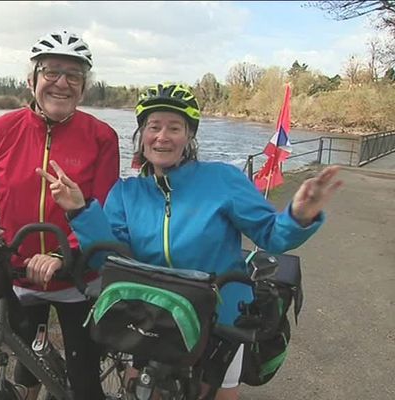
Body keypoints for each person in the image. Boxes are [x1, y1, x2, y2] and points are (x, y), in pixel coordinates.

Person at [36, 83, 342, 400]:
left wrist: (299, 215)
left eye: (174, 128)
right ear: (142, 135)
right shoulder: (126, 193)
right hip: (150, 316)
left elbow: (272, 236)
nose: (162, 136)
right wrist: (80, 210)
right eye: (153, 127)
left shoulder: (222, 180)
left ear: (189, 137)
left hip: (220, 317)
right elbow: (109, 261)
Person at [0, 30, 120, 400]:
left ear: (84, 88)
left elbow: (105, 209)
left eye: (73, 75)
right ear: (32, 81)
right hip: (18, 272)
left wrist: (64, 254)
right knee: (25, 363)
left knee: (84, 379)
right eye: (51, 72)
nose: (61, 83)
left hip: (78, 277)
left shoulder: (101, 136)